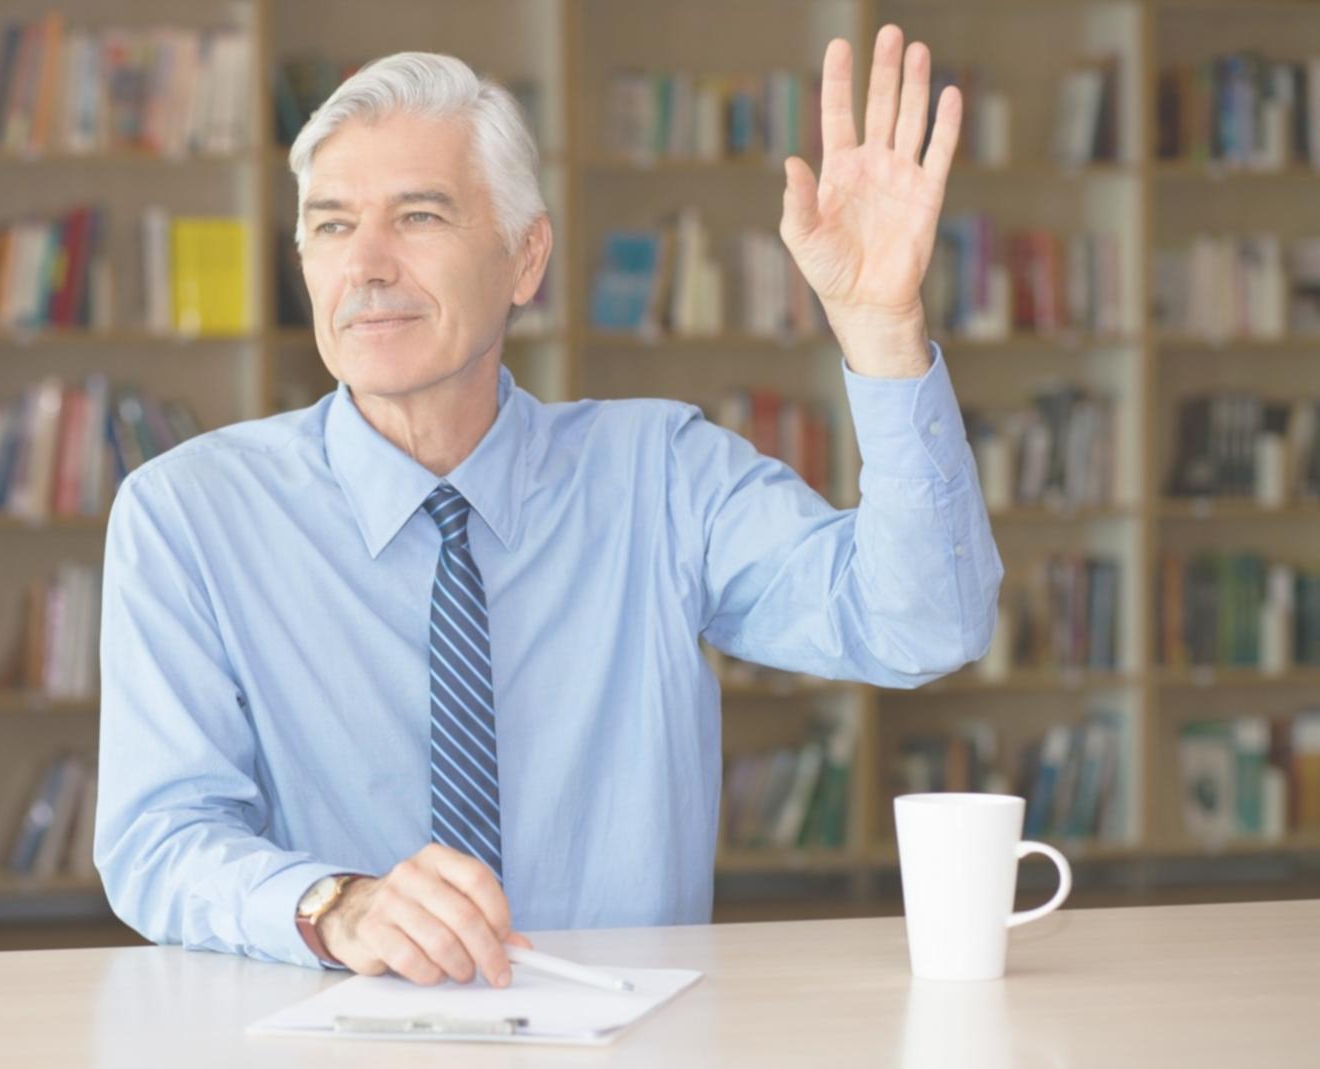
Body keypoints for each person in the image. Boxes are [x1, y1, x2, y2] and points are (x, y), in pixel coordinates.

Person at [95, 26, 1001, 990]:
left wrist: (881, 328)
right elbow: (158, 836)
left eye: (419, 216)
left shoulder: (661, 474)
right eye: (329, 224)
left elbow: (923, 626)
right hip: (328, 1034)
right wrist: (332, 904)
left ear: (526, 260)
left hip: (628, 1038)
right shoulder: (185, 513)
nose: (364, 264)